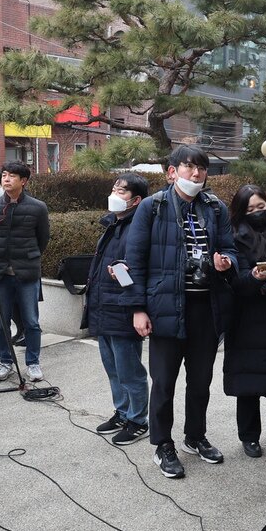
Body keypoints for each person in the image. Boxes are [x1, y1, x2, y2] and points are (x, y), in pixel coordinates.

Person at [122, 144, 239, 479]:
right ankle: (162, 444)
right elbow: (134, 261)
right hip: (164, 307)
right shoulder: (152, 207)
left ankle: (195, 436)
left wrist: (227, 262)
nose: (196, 173)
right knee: (163, 382)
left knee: (200, 381)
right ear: (172, 172)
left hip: (205, 307)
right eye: (189, 166)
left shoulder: (214, 207)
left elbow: (230, 248)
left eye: (201, 167)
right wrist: (138, 309)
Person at [81, 173, 150, 446]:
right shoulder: (112, 223)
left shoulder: (138, 228)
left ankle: (138, 419)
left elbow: (139, 269)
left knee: (130, 371)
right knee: (113, 369)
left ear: (136, 200)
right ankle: (122, 412)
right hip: (104, 307)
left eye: (121, 192)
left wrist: (136, 305)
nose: (114, 195)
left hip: (123, 308)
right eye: (114, 189)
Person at [224, 184, 266, 458]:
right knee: (248, 379)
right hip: (246, 317)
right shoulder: (232, 236)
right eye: (250, 209)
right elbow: (233, 281)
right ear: (240, 211)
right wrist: (254, 279)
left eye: (261, 206)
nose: (258, 212)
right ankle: (249, 435)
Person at [0, 161, 50, 382]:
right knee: (0, 322)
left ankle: (33, 363)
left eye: (12, 175)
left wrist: (27, 257)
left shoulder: (38, 207)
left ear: (24, 181)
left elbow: (43, 239)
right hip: (0, 273)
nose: (6, 179)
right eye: (4, 175)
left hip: (27, 272)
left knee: (31, 321)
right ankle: (5, 362)